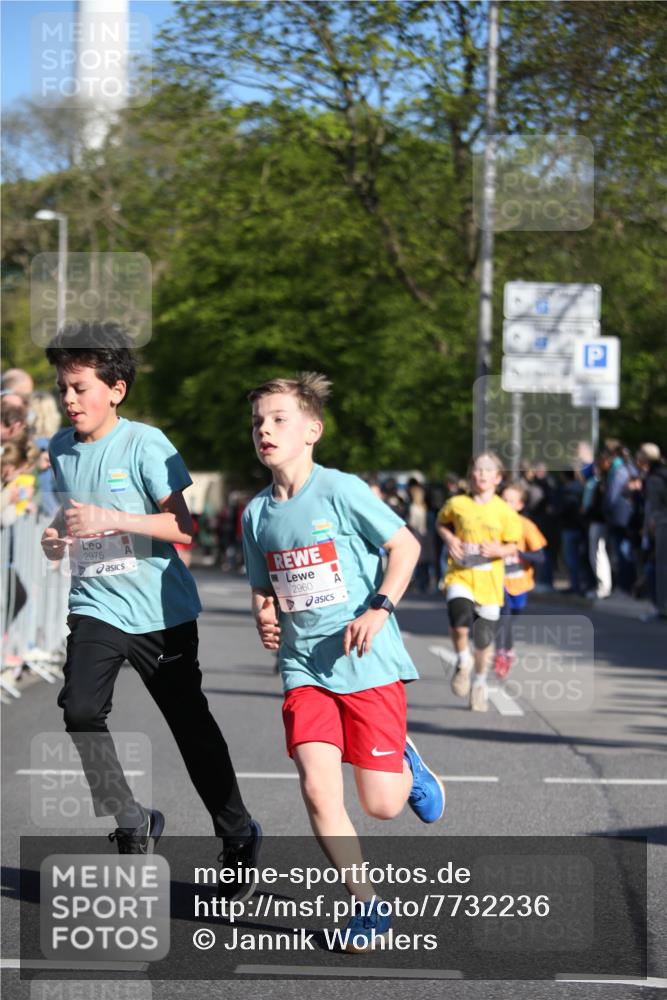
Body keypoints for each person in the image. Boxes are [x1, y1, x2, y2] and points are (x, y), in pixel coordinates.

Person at [40, 321, 261, 893]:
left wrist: (110, 519)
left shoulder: (146, 443)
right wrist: (54, 536)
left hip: (161, 612)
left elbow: (181, 528)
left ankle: (238, 833)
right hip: (96, 604)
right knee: (81, 710)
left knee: (190, 727)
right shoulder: (59, 449)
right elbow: (70, 518)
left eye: (80, 387)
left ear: (116, 389)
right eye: (62, 387)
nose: (69, 399)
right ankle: (132, 820)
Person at [242, 372, 445, 952]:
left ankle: (406, 760)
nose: (265, 430)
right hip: (304, 666)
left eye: (278, 419)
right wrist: (264, 615)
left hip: (366, 662)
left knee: (381, 805)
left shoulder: (340, 490)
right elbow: (264, 587)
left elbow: (405, 546)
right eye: (258, 421)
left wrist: (380, 607)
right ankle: (367, 904)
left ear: (312, 430)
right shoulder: (256, 513)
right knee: (317, 789)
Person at [436, 452, 522, 712]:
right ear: (471, 475)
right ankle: (463, 661)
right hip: (460, 574)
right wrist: (450, 539)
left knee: (483, 641)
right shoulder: (457, 503)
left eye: (488, 470)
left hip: (490, 581)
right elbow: (442, 523)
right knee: (459, 620)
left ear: (497, 477)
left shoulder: (505, 512)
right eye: (477, 469)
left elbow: (514, 545)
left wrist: (499, 550)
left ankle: (480, 683)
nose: (482, 474)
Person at [493, 482, 547, 679]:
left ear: (520, 505)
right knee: (503, 616)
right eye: (503, 500)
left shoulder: (526, 526)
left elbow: (541, 556)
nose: (506, 504)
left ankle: (507, 648)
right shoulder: (493, 522)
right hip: (497, 580)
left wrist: (519, 553)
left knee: (510, 617)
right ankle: (501, 654)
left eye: (511, 501)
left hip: (520, 583)